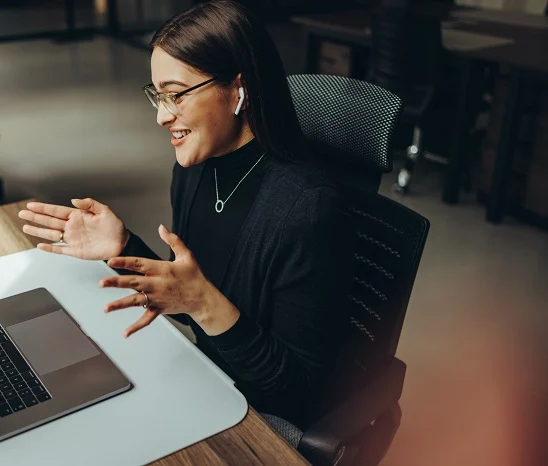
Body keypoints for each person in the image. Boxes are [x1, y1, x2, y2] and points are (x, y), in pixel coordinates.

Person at [18, 0, 352, 429]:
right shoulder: (194, 172)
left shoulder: (308, 211)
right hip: (205, 379)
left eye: (176, 95)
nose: (161, 116)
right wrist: (123, 247)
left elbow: (298, 394)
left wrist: (202, 303)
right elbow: (190, 297)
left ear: (239, 89)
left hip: (256, 418)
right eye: (157, 96)